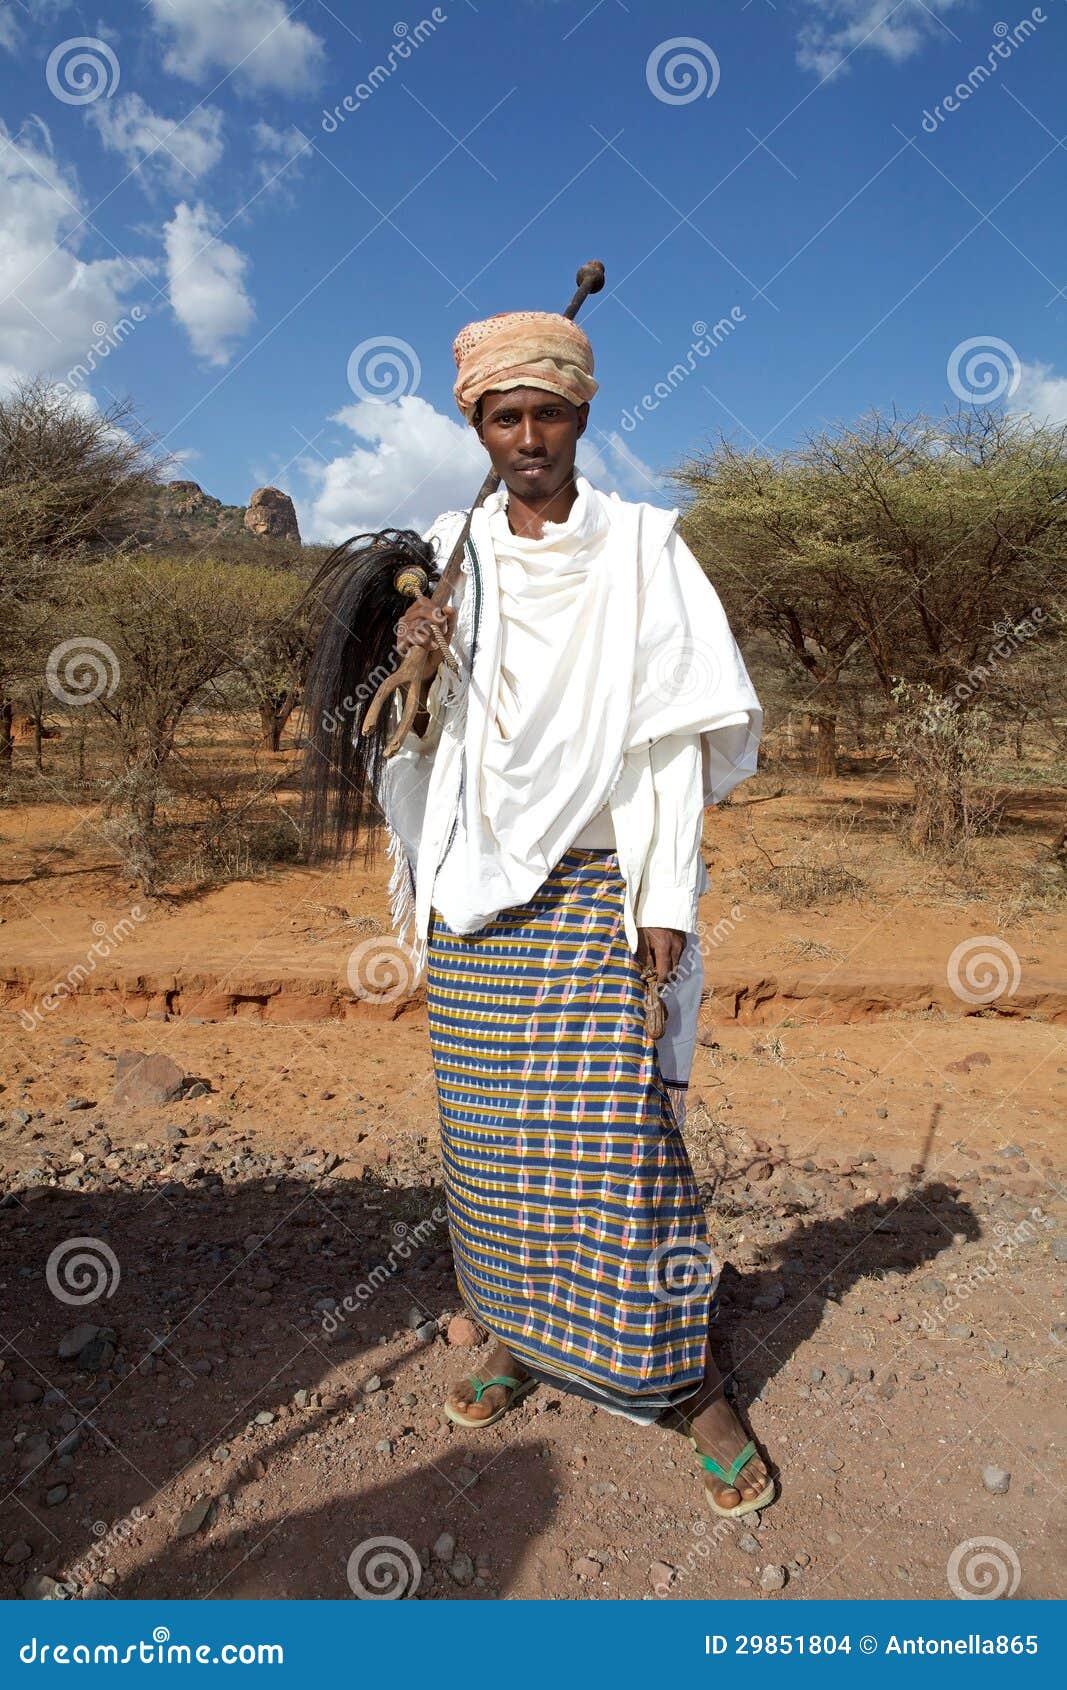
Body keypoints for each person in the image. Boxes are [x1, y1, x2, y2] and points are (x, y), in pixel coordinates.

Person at [314, 309, 772, 1516]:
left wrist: (663, 897)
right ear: (477, 424)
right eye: (503, 416)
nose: (528, 435)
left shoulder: (641, 550)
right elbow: (414, 736)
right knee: (492, 1144)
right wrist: (414, 651)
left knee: (621, 1143)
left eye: (548, 412)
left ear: (582, 413)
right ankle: (519, 1334)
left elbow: (673, 740)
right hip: (473, 892)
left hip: (595, 886)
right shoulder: (455, 551)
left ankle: (683, 1382)